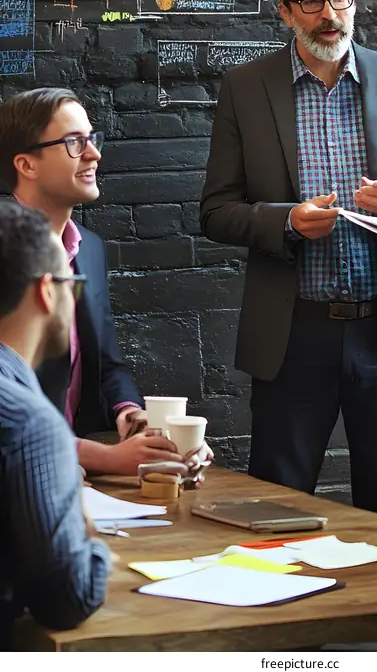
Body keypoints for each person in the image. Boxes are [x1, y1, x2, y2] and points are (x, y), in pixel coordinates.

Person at [200, 0, 377, 519]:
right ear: (284, 11)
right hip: (293, 337)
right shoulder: (246, 89)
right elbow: (215, 210)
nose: (329, 15)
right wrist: (285, 221)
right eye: (311, 2)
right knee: (276, 518)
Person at [0, 88, 181, 476]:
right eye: (73, 143)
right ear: (26, 165)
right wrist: (109, 458)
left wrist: (128, 414)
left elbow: (107, 365)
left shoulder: (90, 249)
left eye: (92, 139)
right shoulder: (4, 252)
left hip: (79, 477)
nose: (94, 154)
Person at [0, 200, 110, 647]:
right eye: (73, 284)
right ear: (48, 290)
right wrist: (90, 534)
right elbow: (68, 598)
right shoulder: (32, 425)